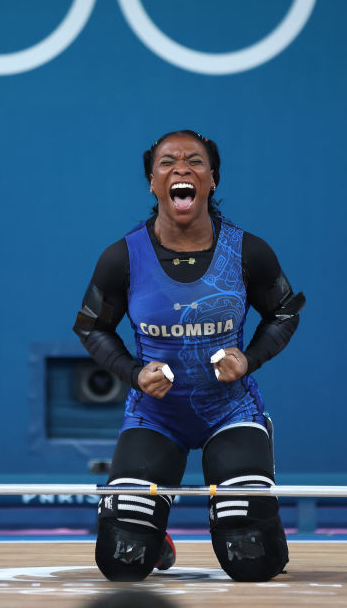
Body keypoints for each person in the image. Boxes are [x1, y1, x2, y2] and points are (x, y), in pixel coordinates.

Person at [73, 130, 305, 583]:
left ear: (212, 180)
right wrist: (135, 373)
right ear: (153, 183)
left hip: (230, 411)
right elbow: (91, 327)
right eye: (167, 162)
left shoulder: (248, 252)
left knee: (252, 560)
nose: (181, 168)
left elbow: (283, 313)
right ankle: (153, 534)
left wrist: (249, 359)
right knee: (122, 562)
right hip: (156, 417)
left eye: (195, 161)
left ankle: (251, 487)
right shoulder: (121, 257)